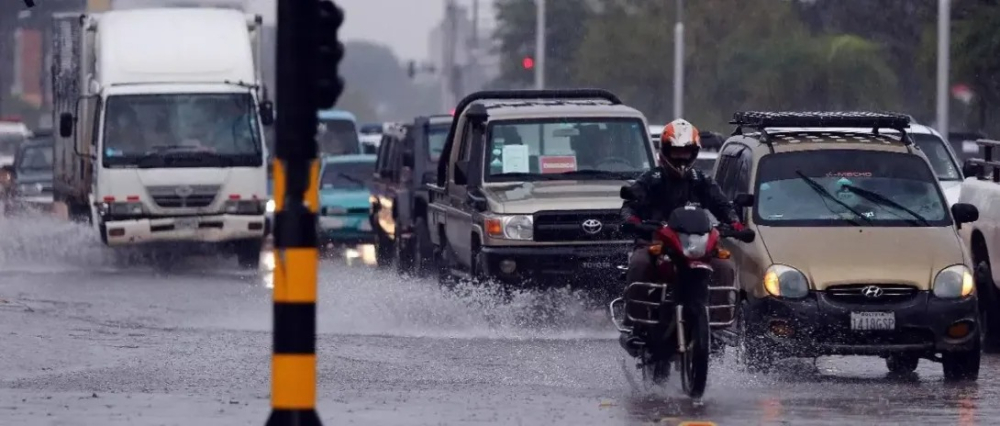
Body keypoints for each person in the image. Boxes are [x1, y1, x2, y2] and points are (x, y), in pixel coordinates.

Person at [620, 119, 744, 321]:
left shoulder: (701, 181)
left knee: (724, 266)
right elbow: (630, 204)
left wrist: (734, 222)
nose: (681, 157)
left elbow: (722, 204)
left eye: (686, 151)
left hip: (697, 245)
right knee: (639, 264)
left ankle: (718, 323)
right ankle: (636, 323)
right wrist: (633, 220)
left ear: (694, 152)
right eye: (676, 151)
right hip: (656, 243)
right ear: (665, 151)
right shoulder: (652, 179)